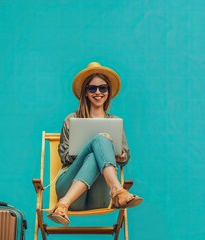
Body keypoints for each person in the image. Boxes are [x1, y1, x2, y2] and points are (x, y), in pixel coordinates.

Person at [47, 62, 143, 226]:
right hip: (69, 189)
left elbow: (125, 156)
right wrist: (93, 144)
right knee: (99, 141)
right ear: (85, 92)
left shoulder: (114, 122)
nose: (98, 92)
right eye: (92, 88)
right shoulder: (71, 120)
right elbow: (64, 156)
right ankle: (117, 190)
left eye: (103, 88)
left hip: (98, 198)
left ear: (108, 92)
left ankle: (62, 206)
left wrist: (119, 155)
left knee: (98, 148)